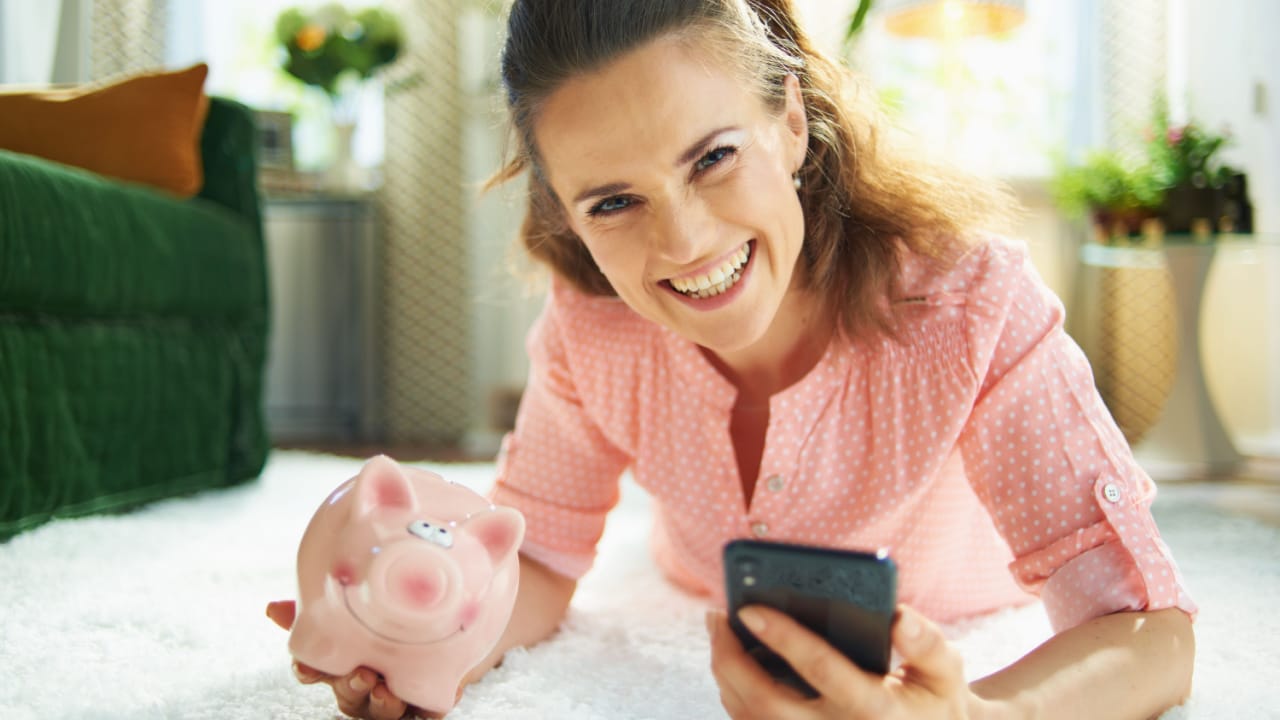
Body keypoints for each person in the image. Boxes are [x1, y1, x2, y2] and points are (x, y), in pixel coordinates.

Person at [268, 1, 1197, 717]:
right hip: (687, 581)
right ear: (564, 213)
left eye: (712, 157)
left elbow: (1148, 630)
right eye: (613, 203)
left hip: (967, 602)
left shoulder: (972, 305)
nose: (684, 241)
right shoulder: (589, 331)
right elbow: (540, 559)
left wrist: (979, 712)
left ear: (790, 119)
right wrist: (434, 641)